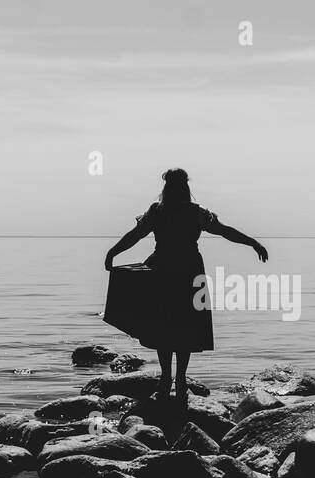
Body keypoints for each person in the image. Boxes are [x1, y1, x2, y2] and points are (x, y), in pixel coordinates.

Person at [105, 168, 267, 400]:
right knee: (184, 326)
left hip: (162, 270)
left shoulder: (157, 211)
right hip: (189, 271)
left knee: (163, 326)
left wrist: (113, 252)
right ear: (186, 188)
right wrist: (252, 242)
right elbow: (225, 232)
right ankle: (179, 378)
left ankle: (166, 378)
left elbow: (136, 235)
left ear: (166, 188)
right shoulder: (196, 213)